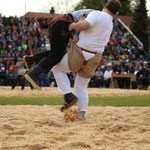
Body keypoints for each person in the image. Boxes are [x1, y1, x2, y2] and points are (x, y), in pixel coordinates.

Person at [52, 0, 121, 116]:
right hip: (95, 57)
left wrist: (72, 25)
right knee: (81, 86)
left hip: (81, 53)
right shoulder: (110, 23)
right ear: (115, 13)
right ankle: (82, 114)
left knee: (56, 67)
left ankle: (68, 94)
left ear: (105, 6)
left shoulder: (97, 14)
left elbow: (85, 25)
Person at [24, 9, 94, 89]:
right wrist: (77, 34)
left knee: (57, 52)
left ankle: (31, 59)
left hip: (62, 23)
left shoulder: (97, 15)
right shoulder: (95, 14)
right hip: (63, 24)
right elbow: (82, 21)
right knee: (56, 56)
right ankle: (34, 73)